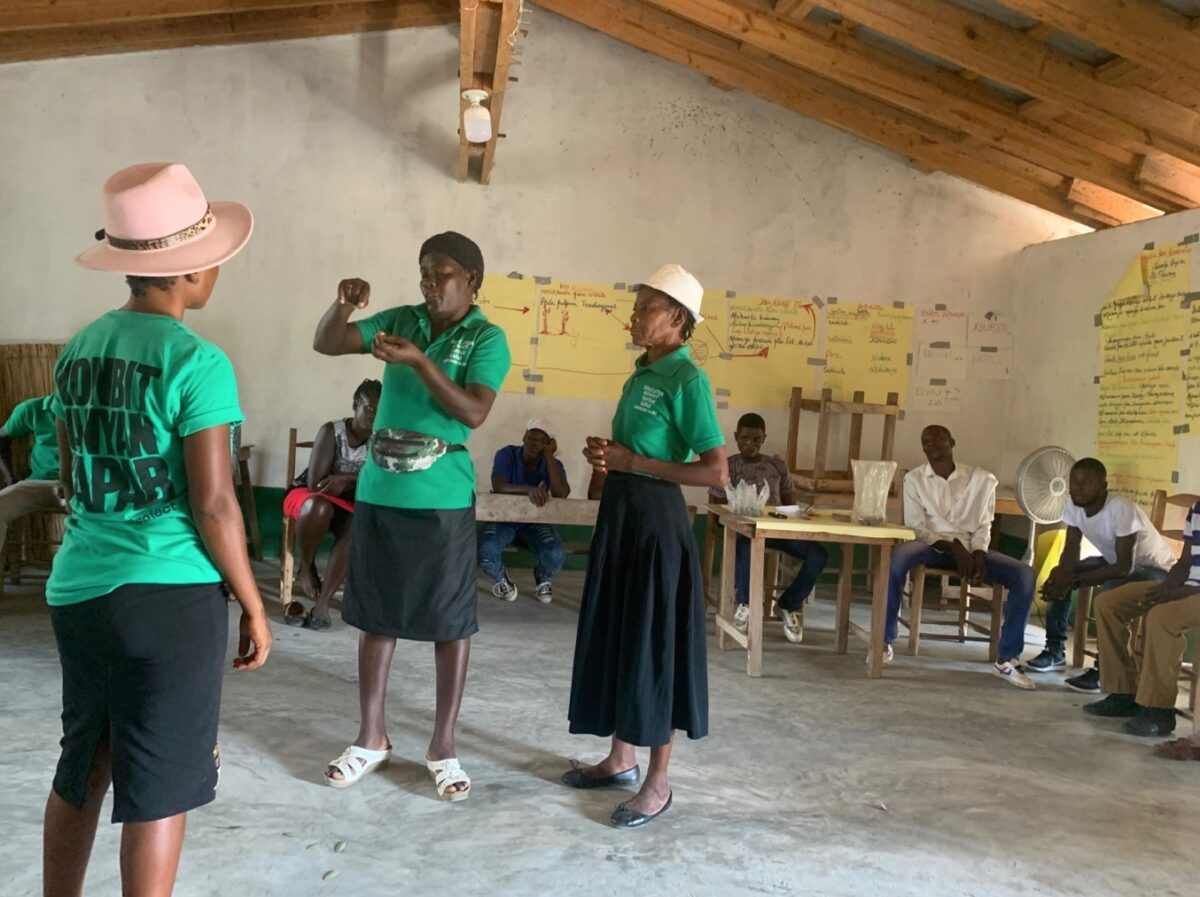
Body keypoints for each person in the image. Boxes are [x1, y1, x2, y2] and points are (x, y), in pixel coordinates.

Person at [42, 162, 271, 897]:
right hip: (169, 598)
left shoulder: (78, 349)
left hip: (79, 588)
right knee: (160, 784)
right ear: (193, 270)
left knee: (84, 764)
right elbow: (215, 504)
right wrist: (254, 603)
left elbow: (70, 477)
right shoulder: (198, 363)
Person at [313, 231, 509, 801]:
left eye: (441, 273)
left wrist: (420, 361)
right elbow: (328, 341)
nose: (429, 283)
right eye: (424, 272)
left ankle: (442, 747)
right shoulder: (402, 319)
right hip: (382, 491)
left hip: (442, 499)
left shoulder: (487, 337)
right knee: (377, 616)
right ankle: (371, 738)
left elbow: (473, 411)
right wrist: (343, 305)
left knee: (449, 623)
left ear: (471, 280)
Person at [563, 264, 726, 829]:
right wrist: (611, 456)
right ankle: (620, 758)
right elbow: (637, 451)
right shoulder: (641, 373)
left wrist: (635, 462)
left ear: (676, 318)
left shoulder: (687, 379)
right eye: (635, 309)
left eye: (645, 309)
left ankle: (658, 782)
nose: (632, 318)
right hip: (622, 516)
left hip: (657, 523)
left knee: (655, 643)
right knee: (621, 631)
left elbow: (715, 472)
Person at [883, 426, 1036, 688]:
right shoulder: (915, 479)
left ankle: (1007, 659)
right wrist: (954, 548)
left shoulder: (980, 480)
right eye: (925, 441)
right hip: (931, 547)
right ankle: (883, 641)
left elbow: (984, 525)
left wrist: (978, 554)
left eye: (938, 440)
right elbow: (917, 528)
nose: (931, 445)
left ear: (952, 442)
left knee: (1025, 574)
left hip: (971, 550)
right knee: (896, 559)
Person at [1030, 458, 1174, 693]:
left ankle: (1104, 669)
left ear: (1103, 486)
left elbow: (1124, 568)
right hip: (1115, 562)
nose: (1078, 488)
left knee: (1111, 590)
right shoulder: (1074, 505)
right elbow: (1071, 547)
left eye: (1085, 482)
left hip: (1155, 570)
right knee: (1059, 573)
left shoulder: (1121, 508)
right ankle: (1055, 650)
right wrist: (1062, 577)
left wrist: (1073, 580)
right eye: (1073, 482)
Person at [1080, 497, 1200, 736]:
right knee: (1108, 604)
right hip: (1186, 586)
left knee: (1162, 617)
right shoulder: (1196, 510)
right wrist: (1167, 588)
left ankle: (1160, 710)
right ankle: (1124, 692)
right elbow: (1185, 563)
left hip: (1194, 592)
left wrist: (1179, 593)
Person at [708, 412, 827, 643]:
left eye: (756, 440)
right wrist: (719, 528)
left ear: (764, 439)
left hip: (777, 530)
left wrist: (800, 514)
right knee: (745, 546)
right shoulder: (728, 467)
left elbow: (790, 506)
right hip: (743, 531)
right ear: (736, 437)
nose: (749, 444)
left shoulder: (777, 467)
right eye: (744, 439)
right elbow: (716, 506)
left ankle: (788, 604)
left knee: (818, 555)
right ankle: (745, 602)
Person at [282, 378, 381, 630]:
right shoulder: (332, 431)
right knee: (318, 506)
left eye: (379, 410)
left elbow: (380, 483)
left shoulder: (381, 440)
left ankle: (323, 603)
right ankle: (306, 567)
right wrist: (354, 481)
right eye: (369, 408)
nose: (373, 415)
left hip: (351, 502)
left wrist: (346, 480)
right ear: (355, 404)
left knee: (358, 525)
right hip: (311, 495)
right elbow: (316, 484)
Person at [478, 418, 570, 604]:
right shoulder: (507, 454)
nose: (534, 443)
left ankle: (542, 577)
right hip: (504, 519)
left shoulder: (553, 464)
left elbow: (561, 493)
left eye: (541, 441)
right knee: (486, 550)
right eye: (530, 438)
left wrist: (549, 457)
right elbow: (499, 485)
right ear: (524, 437)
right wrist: (529, 490)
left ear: (548, 444)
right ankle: (502, 579)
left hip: (534, 522)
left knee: (556, 555)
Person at [0, 394, 64, 561]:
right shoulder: (33, 409)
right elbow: (2, 437)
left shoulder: (95, 412)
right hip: (39, 483)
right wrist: (9, 477)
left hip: (82, 488)